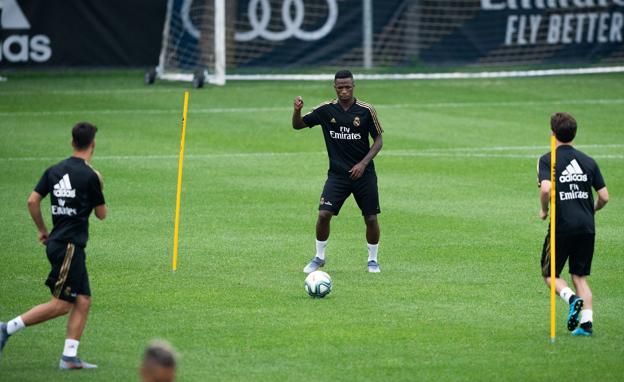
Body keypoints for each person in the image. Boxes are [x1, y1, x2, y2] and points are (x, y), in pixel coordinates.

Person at [0, 122, 107, 368]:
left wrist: (42, 229)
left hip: (61, 243)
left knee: (84, 300)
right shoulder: (91, 176)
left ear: (72, 142)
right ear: (93, 145)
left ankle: (69, 357)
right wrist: (98, 190)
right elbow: (101, 215)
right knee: (62, 304)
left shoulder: (54, 170)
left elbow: (32, 201)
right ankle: (6, 328)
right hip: (70, 247)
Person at [292, 69, 384, 273]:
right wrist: (297, 110)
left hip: (364, 175)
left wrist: (363, 164)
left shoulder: (366, 110)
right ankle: (319, 257)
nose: (344, 91)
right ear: (335, 87)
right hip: (338, 175)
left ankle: (372, 260)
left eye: (348, 87)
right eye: (340, 87)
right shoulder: (326, 110)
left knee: (370, 218)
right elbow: (298, 125)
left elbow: (378, 140)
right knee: (324, 214)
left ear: (353, 87)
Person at [538, 112, 608, 336]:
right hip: (587, 226)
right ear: (573, 134)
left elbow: (546, 189)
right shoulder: (588, 161)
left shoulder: (548, 159)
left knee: (550, 274)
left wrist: (544, 210)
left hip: (562, 225)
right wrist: (592, 209)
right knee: (580, 276)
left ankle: (571, 299)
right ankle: (586, 326)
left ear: (553, 133)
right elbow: (605, 196)